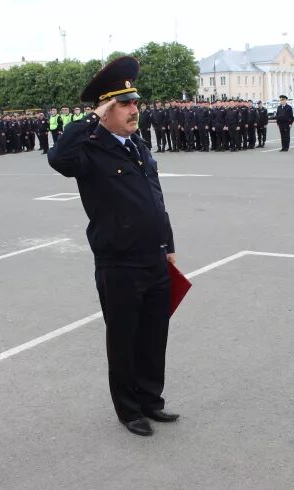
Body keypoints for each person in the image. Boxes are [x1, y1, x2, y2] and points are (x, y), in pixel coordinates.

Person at [47, 56, 178, 438]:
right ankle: (129, 409)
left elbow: (156, 198)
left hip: (154, 256)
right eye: (124, 104)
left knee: (155, 335)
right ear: (105, 109)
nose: (134, 109)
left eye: (135, 102)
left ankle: (152, 400)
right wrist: (92, 118)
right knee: (124, 338)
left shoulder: (137, 144)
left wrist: (168, 243)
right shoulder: (88, 150)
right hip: (119, 263)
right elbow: (58, 158)